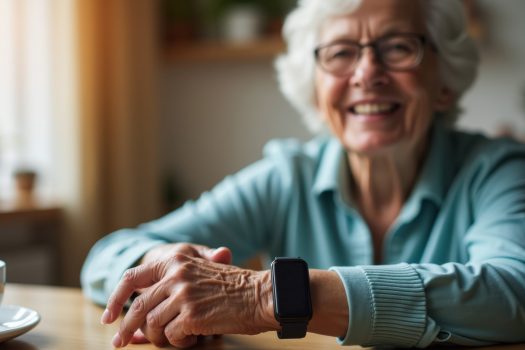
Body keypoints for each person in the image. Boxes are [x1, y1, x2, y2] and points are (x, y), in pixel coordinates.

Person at [81, 0, 525, 348]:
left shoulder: (497, 171)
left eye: (398, 47)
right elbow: (109, 254)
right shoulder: (288, 177)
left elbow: (514, 290)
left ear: (444, 78)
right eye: (341, 53)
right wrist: (171, 274)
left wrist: (265, 297)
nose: (367, 72)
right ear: (314, 90)